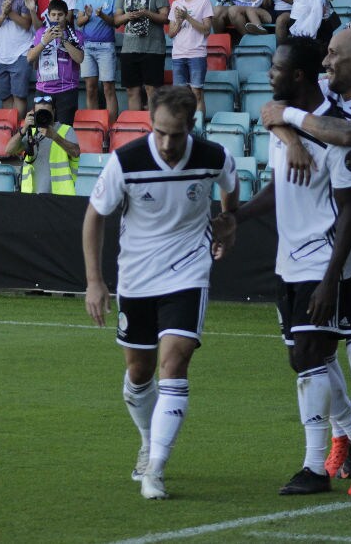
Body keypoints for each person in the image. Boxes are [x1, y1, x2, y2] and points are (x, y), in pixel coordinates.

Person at [258, 27, 351, 497]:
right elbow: (272, 110)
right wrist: (289, 132)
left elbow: (345, 133)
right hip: (324, 243)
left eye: (335, 55)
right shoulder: (319, 95)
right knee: (316, 353)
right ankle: (345, 435)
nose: (326, 63)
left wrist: (291, 121)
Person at [214, 36, 351, 497]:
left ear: (298, 76)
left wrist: (331, 280)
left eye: (276, 70)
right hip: (289, 261)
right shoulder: (285, 125)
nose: (269, 76)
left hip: (323, 260)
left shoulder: (336, 130)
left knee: (308, 358)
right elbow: (280, 190)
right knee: (309, 357)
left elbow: (350, 208)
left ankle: (314, 468)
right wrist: (237, 215)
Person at [83, 85, 239, 500]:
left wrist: (228, 219)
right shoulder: (126, 160)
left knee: (174, 364)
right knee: (140, 372)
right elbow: (94, 217)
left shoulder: (213, 156)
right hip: (136, 279)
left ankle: (155, 466)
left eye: (176, 134)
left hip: (189, 273)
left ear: (192, 126)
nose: (167, 142)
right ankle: (146, 439)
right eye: (160, 132)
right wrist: (95, 282)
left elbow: (230, 185)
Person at [114, 0, 169, 111]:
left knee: (152, 91)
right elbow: (116, 20)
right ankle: (136, 127)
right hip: (129, 48)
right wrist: (127, 16)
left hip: (153, 49)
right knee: (132, 91)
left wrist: (146, 13)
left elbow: (165, 18)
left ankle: (153, 128)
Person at [6, 95, 80, 194]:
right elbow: (9, 150)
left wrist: (55, 136)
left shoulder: (66, 130)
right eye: (39, 113)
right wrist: (23, 129)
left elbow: (76, 152)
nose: (43, 116)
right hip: (33, 196)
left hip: (60, 197)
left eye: (46, 113)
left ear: (53, 112)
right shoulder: (30, 132)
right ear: (33, 114)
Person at [27, 0, 84, 125]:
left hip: (67, 90)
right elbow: (29, 58)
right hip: (43, 89)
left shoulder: (75, 34)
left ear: (66, 15)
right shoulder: (41, 33)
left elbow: (80, 58)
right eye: (53, 15)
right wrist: (44, 41)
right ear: (49, 15)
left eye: (60, 15)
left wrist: (64, 40)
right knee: (41, 130)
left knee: (64, 132)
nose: (56, 18)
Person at [75, 0, 120, 122]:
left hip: (106, 46)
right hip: (87, 46)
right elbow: (78, 22)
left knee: (108, 88)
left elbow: (116, 22)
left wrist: (102, 15)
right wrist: (87, 16)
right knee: (90, 88)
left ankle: (112, 127)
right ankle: (95, 127)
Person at [169, 0, 214, 114]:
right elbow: (171, 33)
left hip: (197, 53)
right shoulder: (176, 4)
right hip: (178, 54)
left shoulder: (204, 2)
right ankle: (183, 128)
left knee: (197, 93)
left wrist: (187, 17)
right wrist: (179, 21)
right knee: (180, 96)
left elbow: (207, 29)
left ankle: (199, 128)